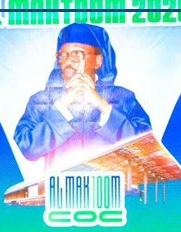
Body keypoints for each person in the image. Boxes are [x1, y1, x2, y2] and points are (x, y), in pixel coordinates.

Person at [13, 23, 152, 172]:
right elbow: (28, 148)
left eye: (77, 54)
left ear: (98, 61)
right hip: (60, 191)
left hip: (108, 191)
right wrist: (63, 105)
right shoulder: (40, 101)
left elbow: (145, 149)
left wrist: (101, 104)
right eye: (63, 55)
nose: (69, 61)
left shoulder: (124, 99)